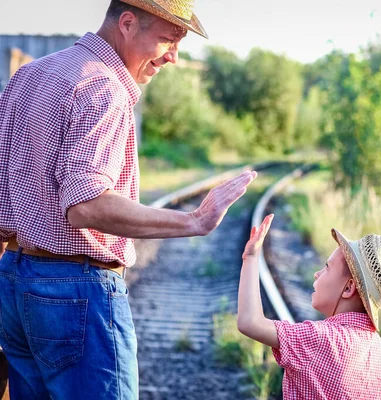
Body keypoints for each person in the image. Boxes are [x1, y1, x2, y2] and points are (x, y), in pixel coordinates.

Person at [0, 0, 257, 399]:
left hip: (15, 284)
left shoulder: (29, 76)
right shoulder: (104, 87)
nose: (173, 57)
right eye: (168, 40)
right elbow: (86, 204)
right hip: (76, 292)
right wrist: (195, 221)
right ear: (127, 23)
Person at [238, 215, 381, 399]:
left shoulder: (322, 339)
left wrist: (250, 258)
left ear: (348, 288)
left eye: (327, 267)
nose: (317, 274)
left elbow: (249, 322)